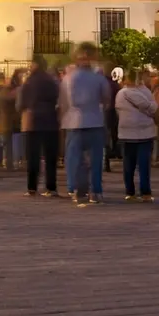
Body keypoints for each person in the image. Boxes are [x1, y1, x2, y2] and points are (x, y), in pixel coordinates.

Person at [60, 43, 113, 204]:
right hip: (95, 120)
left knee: (76, 159)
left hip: (73, 121)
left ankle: (77, 190)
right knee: (96, 160)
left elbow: (63, 102)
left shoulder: (68, 78)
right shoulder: (98, 78)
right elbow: (106, 99)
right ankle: (96, 191)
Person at [20, 54, 61, 196]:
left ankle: (32, 187)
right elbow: (58, 97)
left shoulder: (29, 82)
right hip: (51, 121)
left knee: (33, 156)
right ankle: (51, 187)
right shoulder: (52, 81)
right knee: (51, 157)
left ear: (36, 65)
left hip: (34, 121)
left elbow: (21, 103)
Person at [116, 69, 157, 202]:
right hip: (145, 132)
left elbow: (118, 112)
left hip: (126, 133)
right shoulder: (145, 91)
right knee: (144, 165)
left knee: (128, 165)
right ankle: (146, 193)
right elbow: (154, 108)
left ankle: (130, 192)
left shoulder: (120, 94)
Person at [0, 69, 25, 170]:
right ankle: (5, 162)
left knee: (7, 143)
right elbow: (8, 100)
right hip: (6, 122)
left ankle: (7, 162)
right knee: (4, 143)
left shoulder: (8, 91)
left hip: (10, 122)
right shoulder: (5, 92)